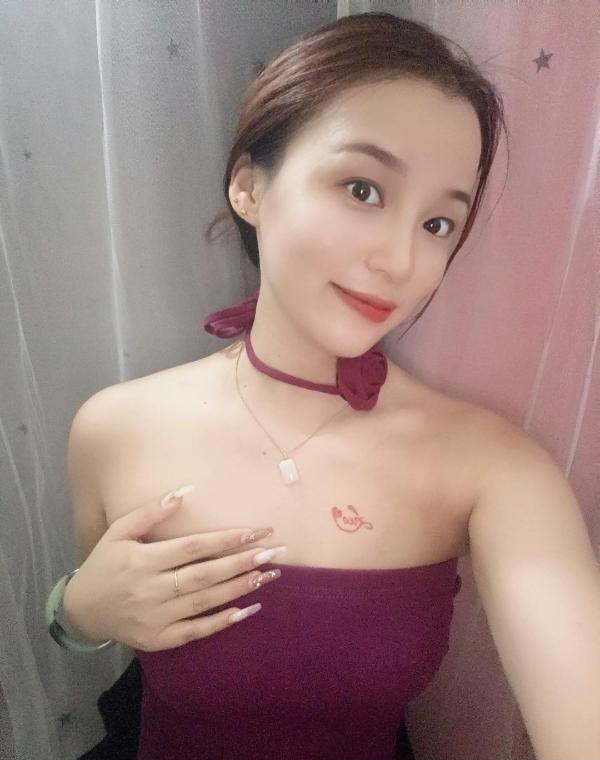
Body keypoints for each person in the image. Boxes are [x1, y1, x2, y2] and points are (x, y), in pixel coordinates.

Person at [48, 11, 504, 760]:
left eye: (438, 225)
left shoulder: (483, 459)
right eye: (363, 188)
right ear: (248, 187)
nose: (401, 262)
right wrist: (75, 613)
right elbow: (97, 612)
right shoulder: (114, 428)